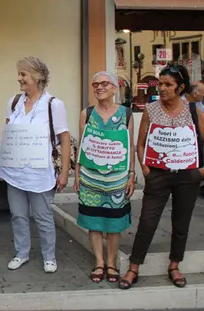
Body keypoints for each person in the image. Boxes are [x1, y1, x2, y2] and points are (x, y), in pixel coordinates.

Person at [119, 65, 204, 290]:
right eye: (160, 84)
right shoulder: (151, 109)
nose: (162, 88)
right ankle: (134, 266)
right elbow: (140, 143)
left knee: (181, 222)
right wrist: (145, 168)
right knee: (147, 222)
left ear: (180, 87)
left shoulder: (193, 110)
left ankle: (174, 265)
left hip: (186, 175)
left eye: (168, 85)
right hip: (158, 174)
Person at [0, 56, 70, 274]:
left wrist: (65, 173)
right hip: (15, 172)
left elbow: (64, 139)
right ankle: (22, 253)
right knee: (18, 215)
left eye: (23, 74)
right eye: (19, 74)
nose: (19, 79)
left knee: (43, 216)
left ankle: (49, 256)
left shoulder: (53, 105)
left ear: (37, 77)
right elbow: (10, 133)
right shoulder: (14, 102)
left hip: (41, 173)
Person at [74, 72, 135, 283]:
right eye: (95, 84)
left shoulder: (126, 113)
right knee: (94, 221)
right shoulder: (87, 113)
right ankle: (99, 262)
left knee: (115, 222)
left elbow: (131, 146)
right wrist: (77, 175)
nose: (99, 87)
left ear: (114, 88)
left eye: (104, 83)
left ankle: (111, 263)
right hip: (91, 177)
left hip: (117, 178)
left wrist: (132, 175)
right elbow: (81, 146)